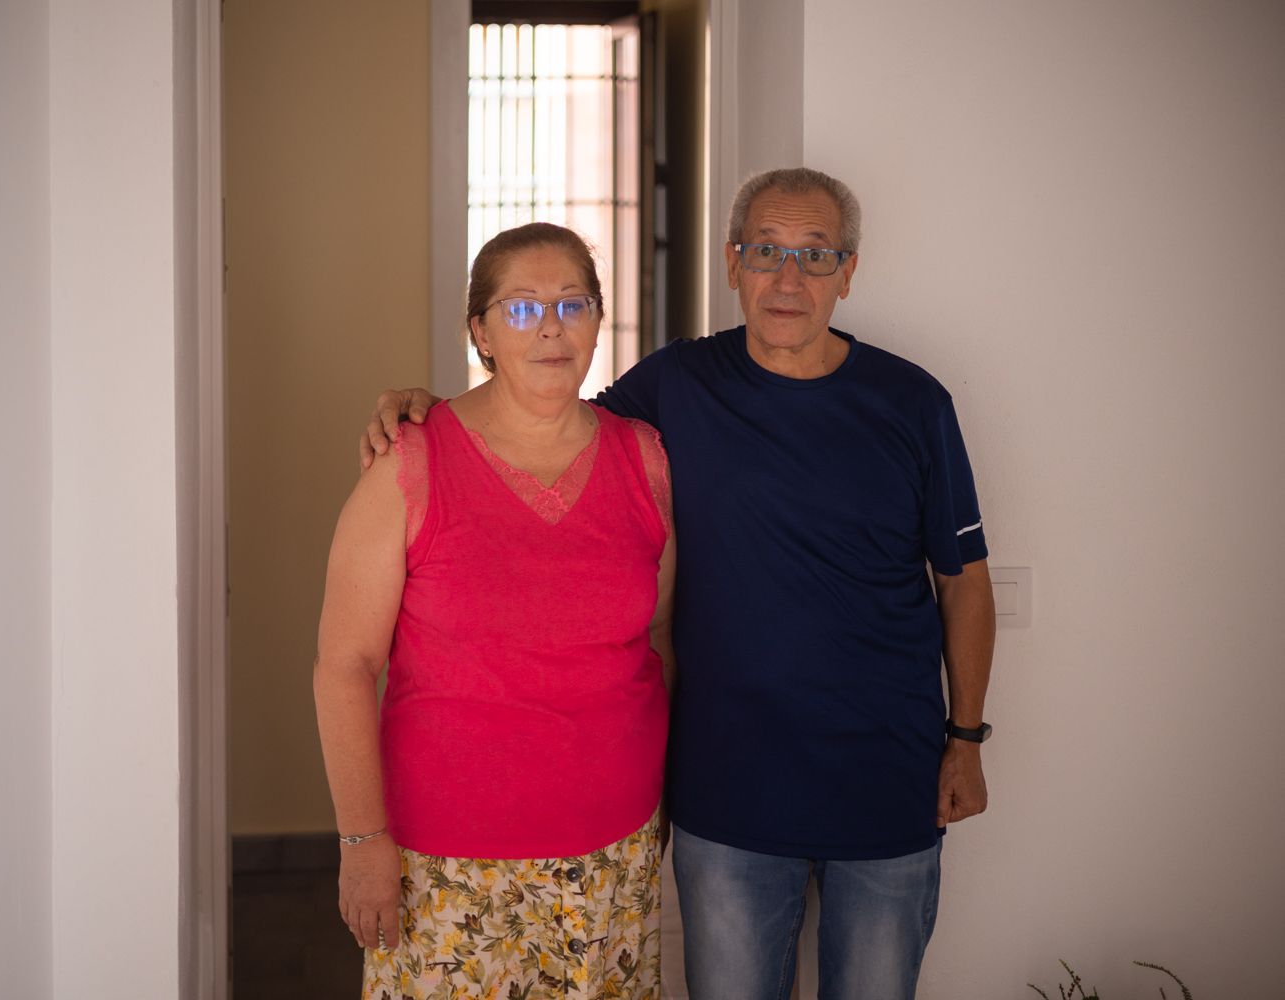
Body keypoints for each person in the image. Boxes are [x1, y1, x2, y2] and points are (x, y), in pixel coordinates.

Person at [360, 168, 996, 1000]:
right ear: (733, 262)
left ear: (849, 270)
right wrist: (428, 411)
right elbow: (538, 411)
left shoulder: (912, 403)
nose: (788, 278)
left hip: (887, 778)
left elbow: (965, 585)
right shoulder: (677, 387)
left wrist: (967, 738)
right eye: (766, 250)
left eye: (814, 255)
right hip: (727, 788)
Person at [315, 222, 677, 1000]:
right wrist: (362, 841)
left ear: (597, 322)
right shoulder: (410, 462)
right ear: (478, 330)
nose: (550, 326)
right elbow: (344, 666)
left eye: (572, 304)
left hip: (612, 856)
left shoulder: (643, 457)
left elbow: (656, 639)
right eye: (520, 308)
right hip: (442, 862)